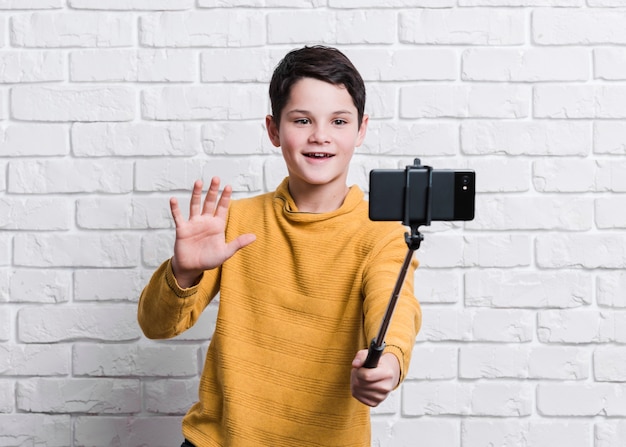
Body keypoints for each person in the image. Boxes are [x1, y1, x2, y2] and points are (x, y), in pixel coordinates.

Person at [137, 45, 422, 447]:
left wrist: (388, 363)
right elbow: (157, 326)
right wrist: (183, 272)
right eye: (302, 120)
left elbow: (395, 310)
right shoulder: (233, 222)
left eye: (338, 121)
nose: (320, 136)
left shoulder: (382, 234)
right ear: (273, 130)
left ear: (361, 129)